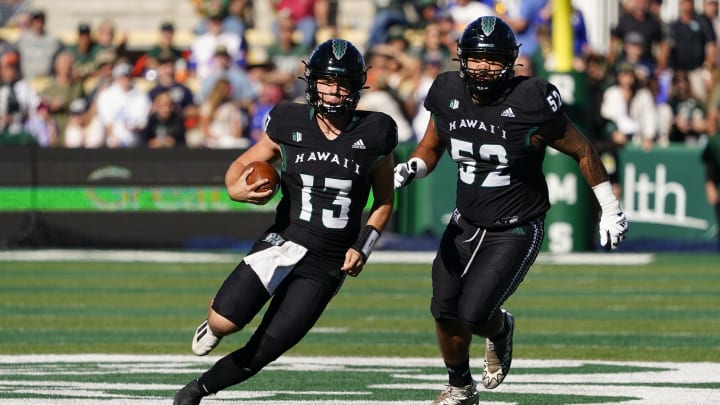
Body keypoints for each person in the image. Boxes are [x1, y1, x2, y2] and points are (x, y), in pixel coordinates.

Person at [393, 16, 629, 404]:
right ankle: (460, 387)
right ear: (462, 59)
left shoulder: (530, 99)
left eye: (494, 59)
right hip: (465, 220)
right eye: (477, 58)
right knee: (443, 308)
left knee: (474, 312)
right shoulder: (447, 90)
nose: (484, 67)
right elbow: (431, 145)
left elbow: (582, 149)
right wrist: (413, 167)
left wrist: (610, 207)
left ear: (511, 61)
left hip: (516, 226)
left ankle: (500, 331)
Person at [173, 38, 398, 404]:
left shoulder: (376, 132)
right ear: (312, 82)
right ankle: (215, 321)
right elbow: (240, 166)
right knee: (223, 323)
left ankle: (198, 390)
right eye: (327, 81)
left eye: (342, 82)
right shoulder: (289, 120)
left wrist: (364, 245)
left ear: (357, 87)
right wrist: (238, 191)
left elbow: (385, 199)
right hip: (284, 240)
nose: (333, 90)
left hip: (328, 260)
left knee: (268, 346)